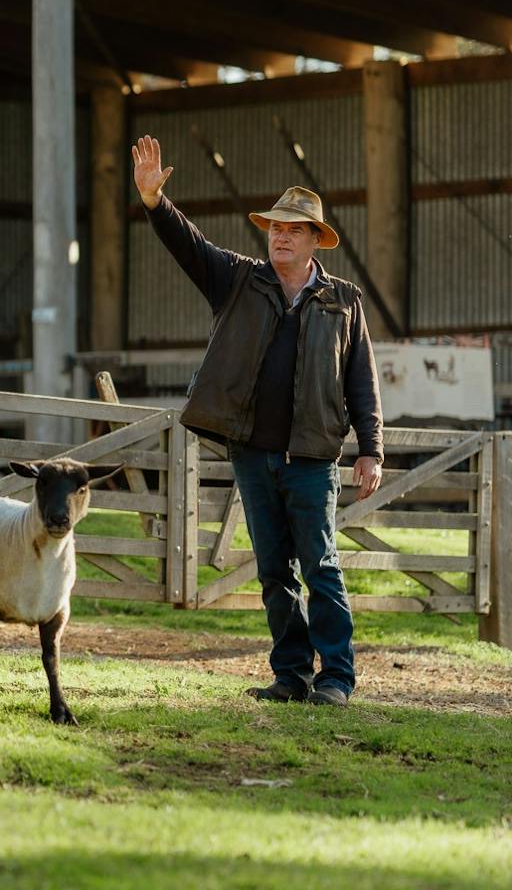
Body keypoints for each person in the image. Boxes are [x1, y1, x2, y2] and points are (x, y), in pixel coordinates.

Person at [132, 134, 383, 708]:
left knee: (321, 565)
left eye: (293, 229)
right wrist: (154, 201)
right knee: (274, 570)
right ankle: (291, 675)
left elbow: (362, 381)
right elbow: (189, 246)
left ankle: (336, 677)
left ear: (315, 239)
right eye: (275, 228)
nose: (280, 236)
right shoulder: (239, 280)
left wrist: (371, 447)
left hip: (312, 458)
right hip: (253, 454)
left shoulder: (344, 301)